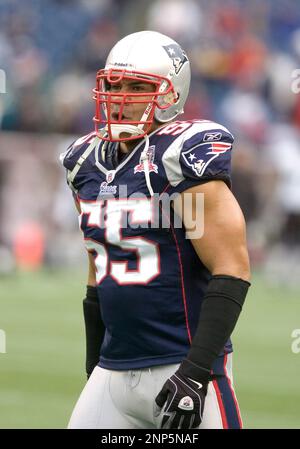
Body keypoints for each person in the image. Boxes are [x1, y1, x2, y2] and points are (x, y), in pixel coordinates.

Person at [61, 30, 251, 429]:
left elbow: (232, 268)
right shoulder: (84, 164)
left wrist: (197, 371)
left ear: (170, 95)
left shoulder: (182, 155)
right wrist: (94, 362)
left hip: (181, 366)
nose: (121, 99)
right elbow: (98, 273)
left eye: (137, 87)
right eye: (115, 86)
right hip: (113, 374)